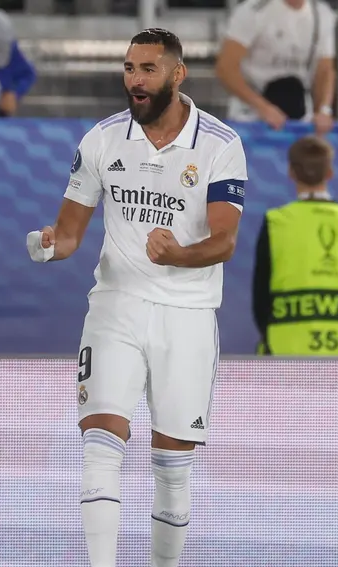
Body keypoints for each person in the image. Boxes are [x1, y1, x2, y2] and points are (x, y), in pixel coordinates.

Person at [26, 28, 247, 567]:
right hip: (115, 306)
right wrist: (49, 247)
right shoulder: (101, 139)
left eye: (147, 69)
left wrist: (177, 255)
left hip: (187, 316)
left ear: (177, 74)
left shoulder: (220, 145)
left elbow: (225, 241)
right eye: (129, 69)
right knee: (100, 446)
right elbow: (72, 233)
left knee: (172, 472)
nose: (135, 81)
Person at [252, 136, 338, 355]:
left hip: (283, 349)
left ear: (291, 172)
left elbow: (261, 294)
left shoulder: (277, 221)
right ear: (330, 172)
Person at [215, 0, 337, 135]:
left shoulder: (322, 14)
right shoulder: (253, 10)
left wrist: (323, 110)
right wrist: (263, 107)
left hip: (300, 117)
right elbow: (226, 68)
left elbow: (325, 70)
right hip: (251, 117)